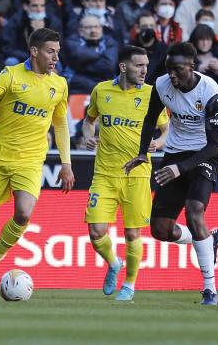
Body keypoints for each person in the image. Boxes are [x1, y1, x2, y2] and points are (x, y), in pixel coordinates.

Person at [0, 28, 75, 301]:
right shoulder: (11, 75)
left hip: (31, 160)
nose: (55, 58)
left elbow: (60, 125)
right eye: (51, 51)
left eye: (58, 53)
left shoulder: (59, 84)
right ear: (35, 51)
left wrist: (66, 163)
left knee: (24, 214)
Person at [124, 42, 218, 306]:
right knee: (159, 229)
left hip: (204, 156)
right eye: (169, 70)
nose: (172, 76)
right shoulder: (162, 86)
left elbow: (214, 145)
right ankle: (207, 238)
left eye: (178, 70)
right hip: (175, 156)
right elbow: (149, 119)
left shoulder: (211, 92)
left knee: (194, 211)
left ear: (192, 67)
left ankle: (210, 289)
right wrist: (142, 152)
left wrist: (180, 168)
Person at [81, 45, 169, 301]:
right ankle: (114, 262)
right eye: (139, 65)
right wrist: (89, 136)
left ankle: (129, 285)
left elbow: (167, 130)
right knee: (96, 231)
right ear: (123, 67)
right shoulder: (101, 90)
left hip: (138, 175)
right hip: (105, 174)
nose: (144, 70)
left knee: (133, 233)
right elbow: (89, 121)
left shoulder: (153, 95)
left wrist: (158, 143)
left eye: (146, 65)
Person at [64, 15, 119, 95]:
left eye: (96, 27)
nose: (93, 30)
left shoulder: (110, 42)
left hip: (105, 84)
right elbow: (79, 55)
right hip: (79, 87)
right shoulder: (72, 41)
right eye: (88, 27)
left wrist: (81, 65)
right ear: (80, 31)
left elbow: (109, 66)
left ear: (101, 29)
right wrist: (99, 53)